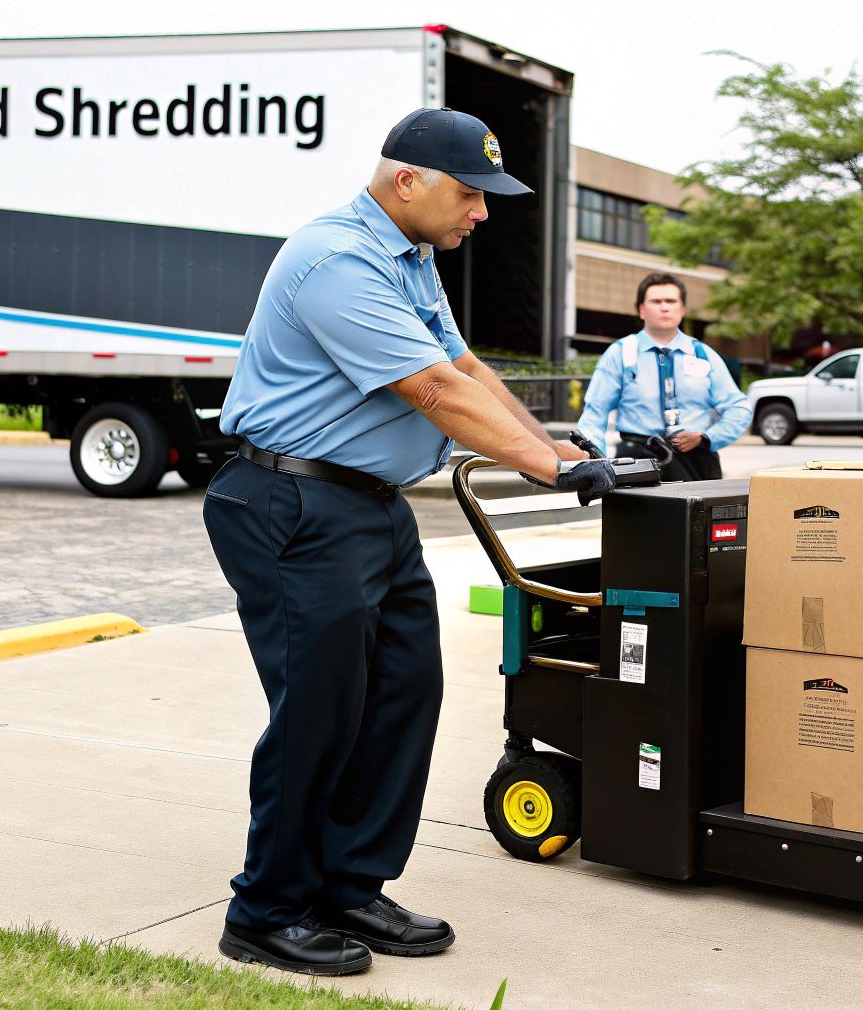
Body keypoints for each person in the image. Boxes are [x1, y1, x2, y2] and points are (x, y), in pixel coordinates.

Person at [202, 108, 616, 977]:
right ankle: (266, 909)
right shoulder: (337, 260)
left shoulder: (412, 257)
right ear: (406, 182)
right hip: (291, 504)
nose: (482, 212)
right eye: (469, 194)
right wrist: (543, 469)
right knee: (317, 711)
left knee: (401, 693)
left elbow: (464, 368)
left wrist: (553, 442)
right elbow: (428, 387)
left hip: (368, 509)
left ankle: (350, 884)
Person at [575, 272, 752, 481]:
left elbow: (739, 408)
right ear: (642, 310)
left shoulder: (703, 354)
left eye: (671, 301)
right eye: (656, 301)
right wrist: (593, 458)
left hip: (697, 462)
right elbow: (595, 412)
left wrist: (707, 438)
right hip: (638, 459)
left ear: (682, 309)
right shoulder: (621, 353)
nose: (664, 307)